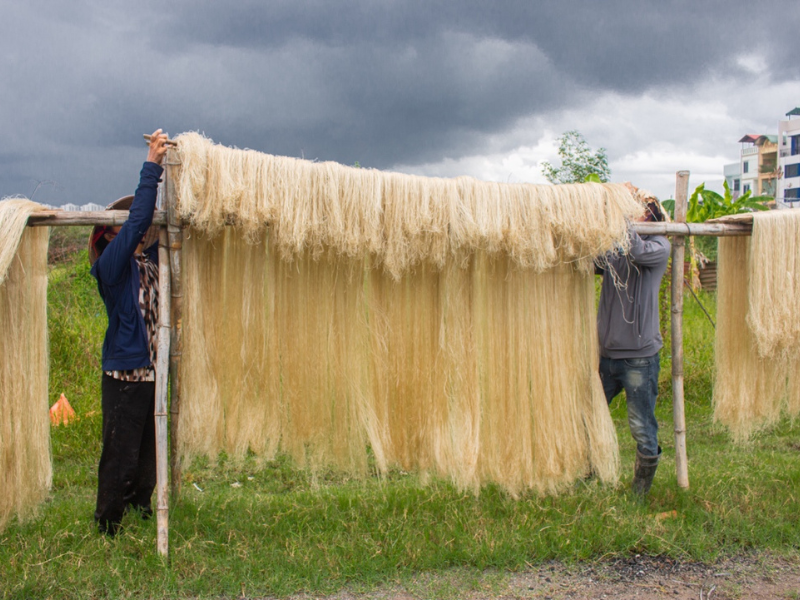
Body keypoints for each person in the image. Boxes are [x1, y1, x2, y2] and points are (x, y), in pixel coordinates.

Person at [89, 129, 169, 535]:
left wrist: (174, 174)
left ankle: (139, 510)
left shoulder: (149, 265)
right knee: (119, 454)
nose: (134, 235)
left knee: (147, 458)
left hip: (152, 374)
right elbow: (139, 219)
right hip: (124, 377)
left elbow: (156, 227)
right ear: (109, 238)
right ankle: (108, 525)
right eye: (120, 231)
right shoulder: (112, 269)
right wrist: (152, 165)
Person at [596, 189, 670, 498]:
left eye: (635, 211)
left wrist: (617, 214)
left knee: (641, 425)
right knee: (590, 415)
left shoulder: (659, 246)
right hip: (607, 355)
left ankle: (640, 492)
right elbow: (592, 263)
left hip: (640, 357)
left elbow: (636, 251)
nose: (629, 215)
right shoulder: (615, 250)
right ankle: (589, 474)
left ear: (650, 215)